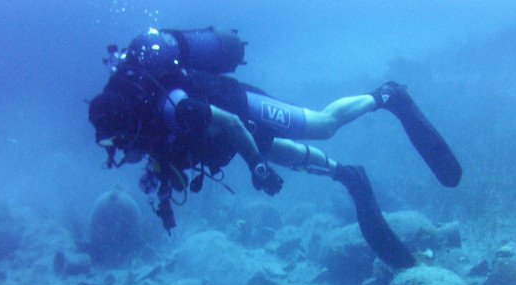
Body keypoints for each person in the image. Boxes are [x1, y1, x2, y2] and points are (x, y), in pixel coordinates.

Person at [88, 27, 462, 269]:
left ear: (126, 126)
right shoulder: (144, 128)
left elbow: (231, 123)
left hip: (239, 107)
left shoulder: (175, 108)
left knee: (322, 126)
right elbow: (166, 160)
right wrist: (164, 196)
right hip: (225, 137)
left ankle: (386, 96)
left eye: (116, 143)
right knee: (283, 153)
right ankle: (346, 174)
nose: (119, 153)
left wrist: (255, 165)